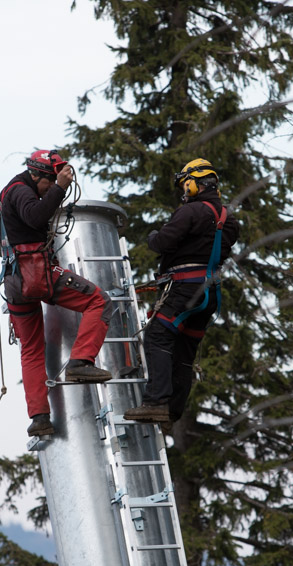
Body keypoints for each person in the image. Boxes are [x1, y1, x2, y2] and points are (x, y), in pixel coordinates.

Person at [0, 149, 112, 437]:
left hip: (13, 281)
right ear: (36, 175)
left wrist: (55, 188)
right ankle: (81, 361)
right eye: (48, 182)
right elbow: (35, 218)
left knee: (32, 349)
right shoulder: (21, 191)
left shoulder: (8, 193)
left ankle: (39, 418)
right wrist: (59, 187)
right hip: (35, 274)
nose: (51, 188)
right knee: (99, 300)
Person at [124, 158, 239, 425]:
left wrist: (153, 235)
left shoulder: (190, 212)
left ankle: (155, 402)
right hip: (209, 294)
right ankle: (172, 410)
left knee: (157, 335)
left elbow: (162, 243)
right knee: (184, 351)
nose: (183, 192)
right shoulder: (229, 219)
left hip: (184, 289)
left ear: (194, 183)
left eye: (184, 186)